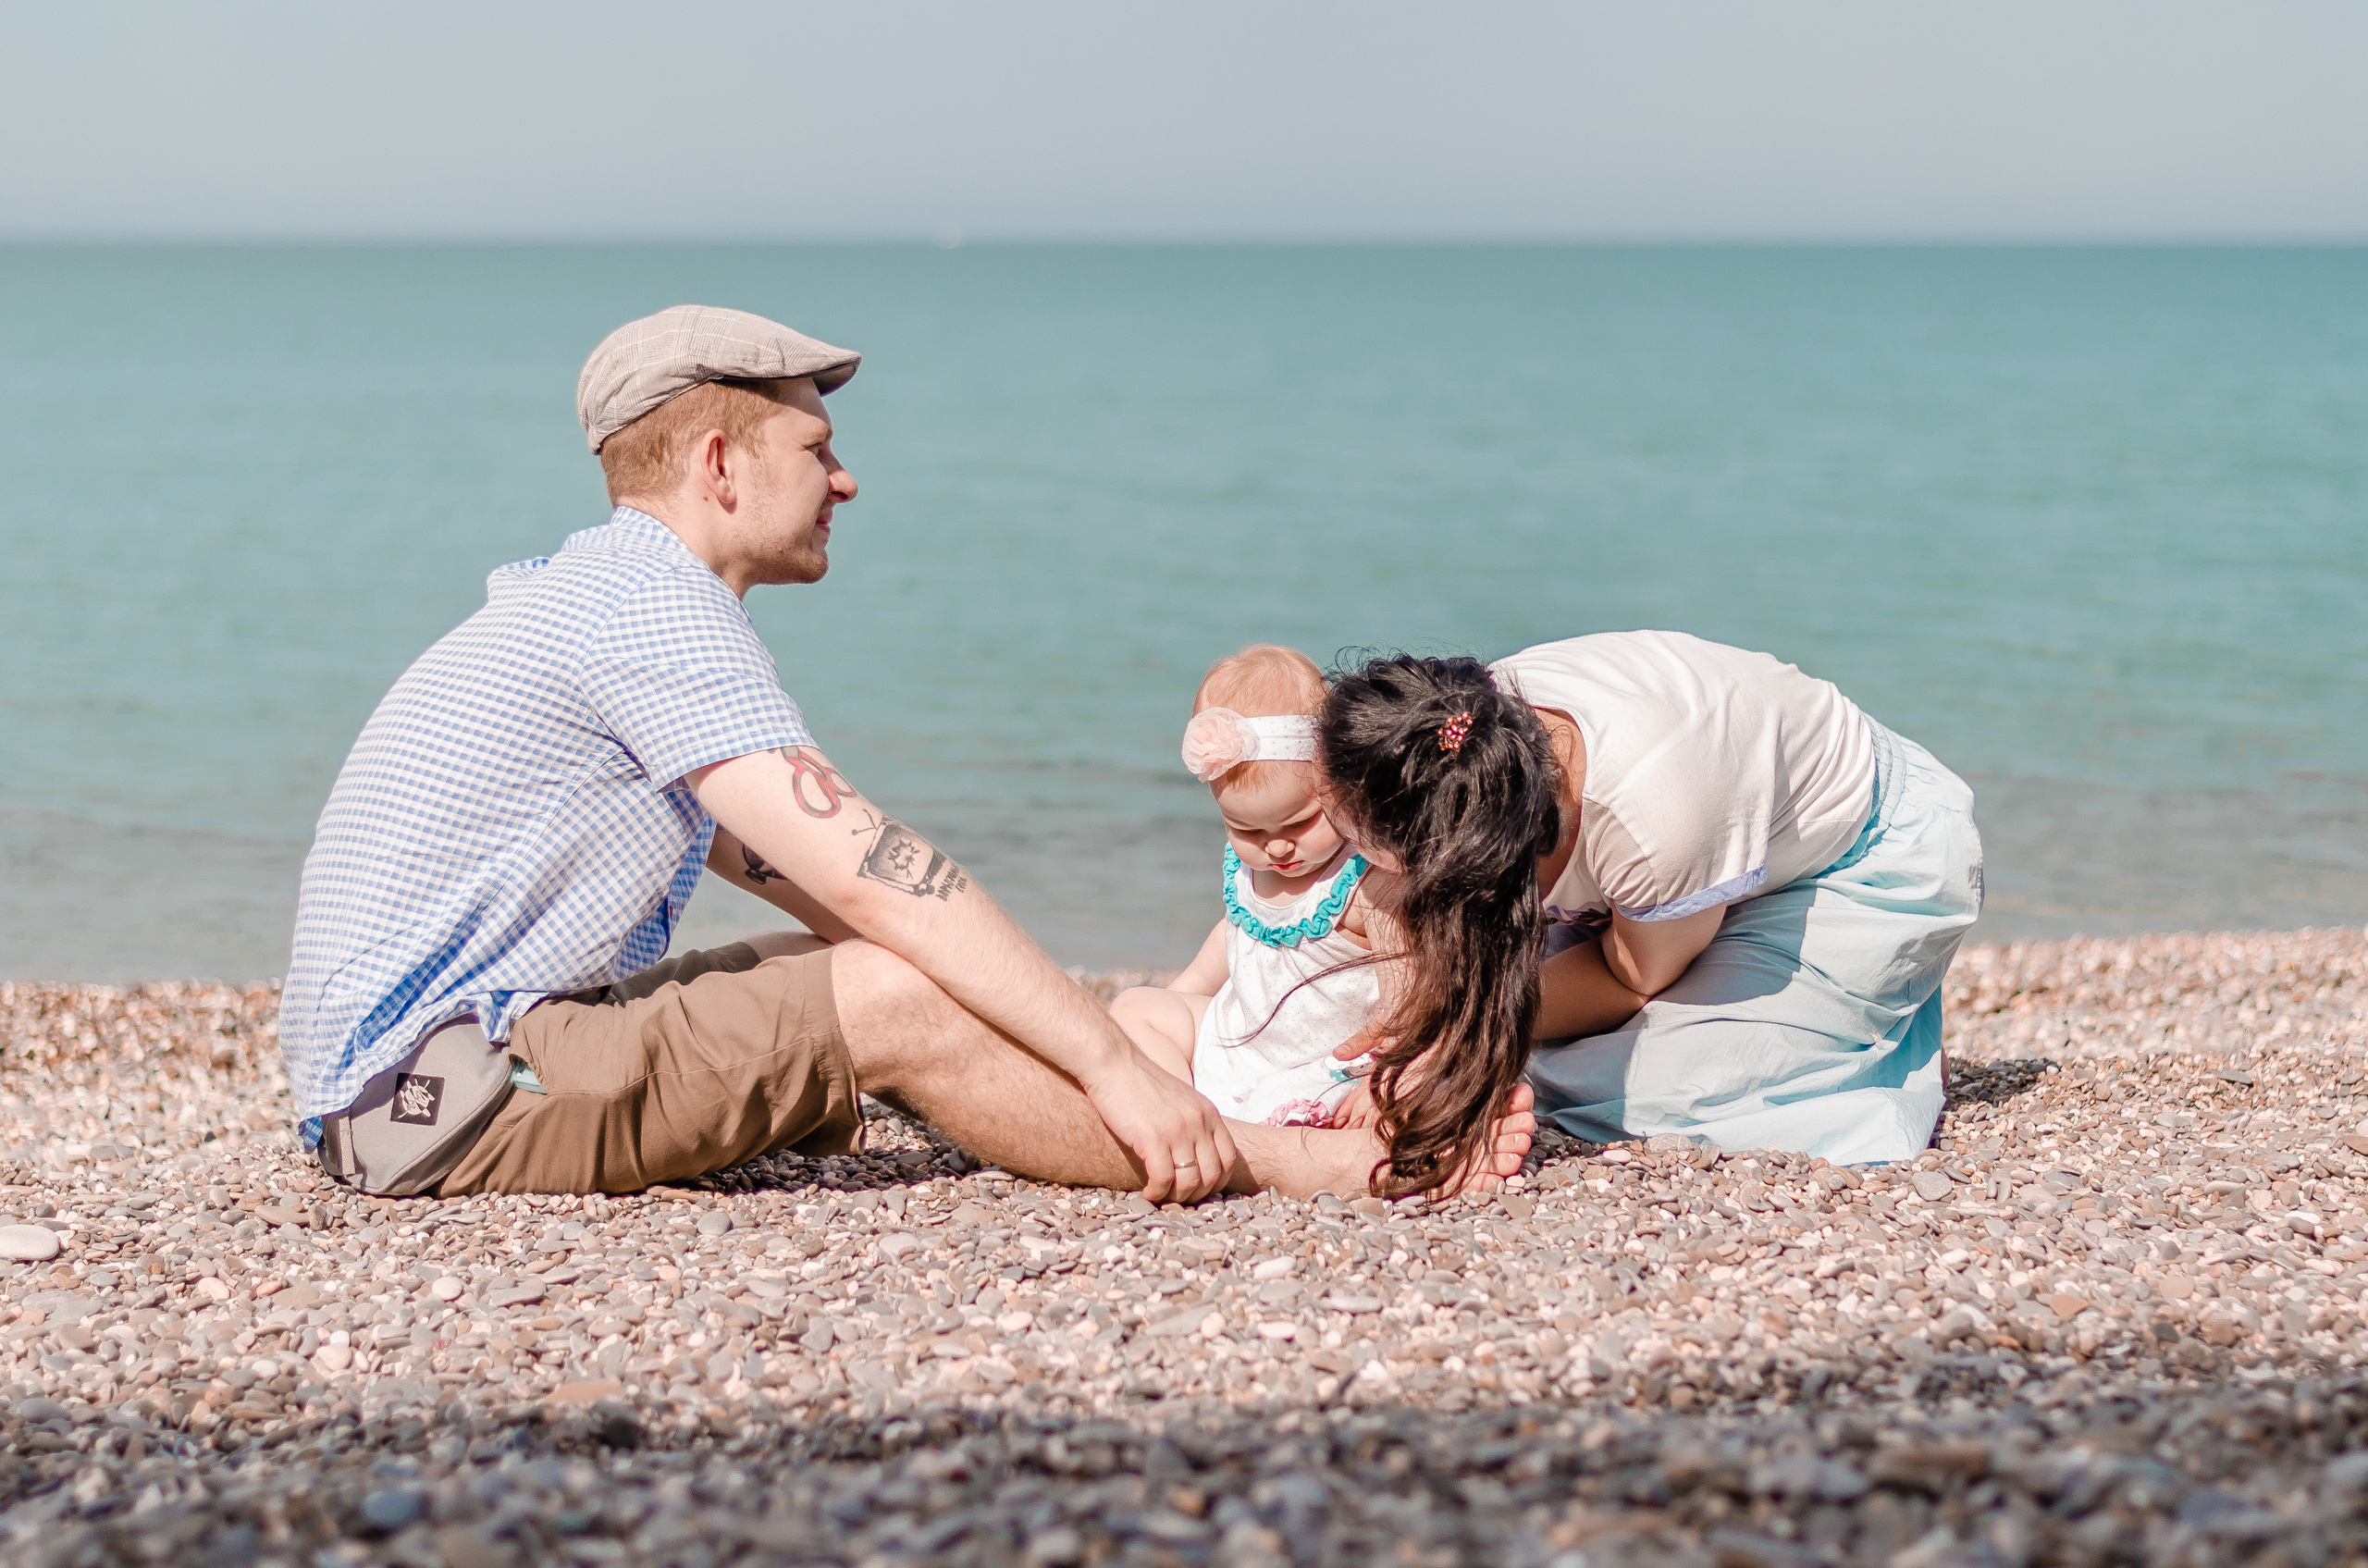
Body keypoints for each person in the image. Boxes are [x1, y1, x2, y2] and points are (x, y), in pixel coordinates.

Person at [278, 304, 1532, 1203]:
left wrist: (1041, 1018)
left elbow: (807, 879)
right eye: (815, 448)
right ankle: (1307, 1157)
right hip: (436, 1099)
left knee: (897, 966)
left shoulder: (596, 594)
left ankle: (1205, 1103)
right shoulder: (649, 611)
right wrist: (1110, 1063)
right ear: (719, 464)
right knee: (894, 989)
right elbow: (875, 868)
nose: (847, 479)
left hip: (446, 1064)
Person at [1316, 633, 1981, 1186]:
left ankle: (1862, 1040)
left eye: (1360, 845)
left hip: (1866, 856)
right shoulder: (1462, 738)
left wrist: (1460, 1015)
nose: (1350, 861)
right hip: (1706, 856)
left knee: (1643, 1089)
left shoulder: (1650, 823)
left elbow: (1630, 977)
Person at [1110, 646, 1382, 1131]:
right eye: (1247, 830)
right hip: (1237, 1039)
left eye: (1300, 822)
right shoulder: (1248, 869)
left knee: (1287, 1108)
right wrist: (1181, 996)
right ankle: (1179, 1107)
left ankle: (1231, 1129)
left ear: (1342, 784)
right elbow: (1236, 937)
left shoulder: (1363, 880)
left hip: (1319, 1061)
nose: (1276, 848)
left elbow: (1414, 976)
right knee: (1134, 1007)